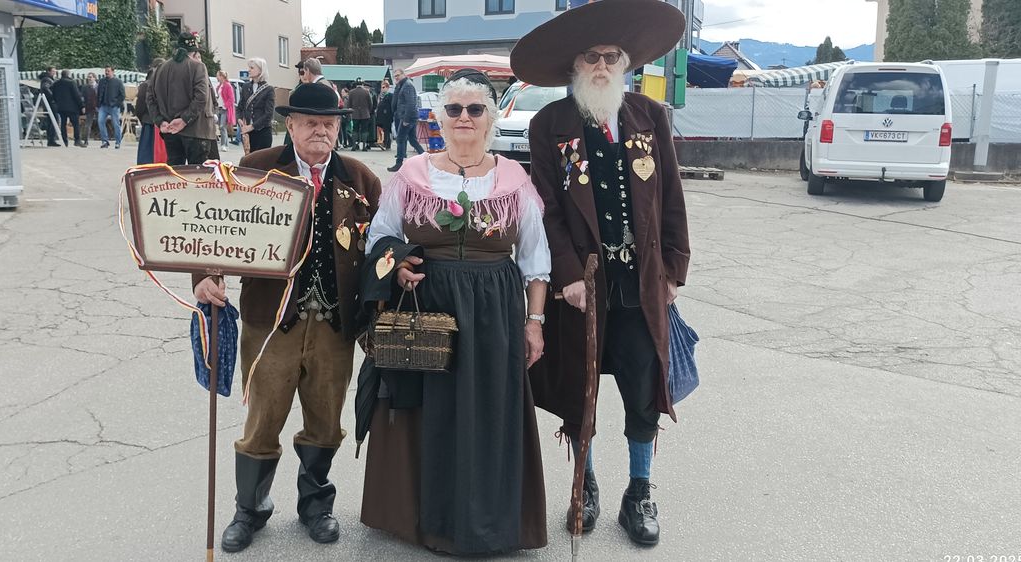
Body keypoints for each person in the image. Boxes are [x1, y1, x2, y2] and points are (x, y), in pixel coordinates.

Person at [511, 0, 691, 547]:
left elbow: (673, 198)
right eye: (591, 57)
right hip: (582, 288)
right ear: (575, 66)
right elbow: (547, 208)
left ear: (625, 63)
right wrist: (564, 274)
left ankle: (638, 492)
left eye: (612, 57)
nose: (602, 67)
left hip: (641, 285)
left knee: (642, 390)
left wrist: (674, 270)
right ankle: (584, 482)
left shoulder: (649, 117)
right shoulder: (550, 125)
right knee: (580, 391)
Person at [358, 73, 550, 556]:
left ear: (490, 119)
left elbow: (535, 259)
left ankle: (485, 521)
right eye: (455, 109)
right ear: (439, 119)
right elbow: (377, 237)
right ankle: (429, 520)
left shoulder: (513, 179)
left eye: (475, 109)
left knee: (487, 411)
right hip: (430, 307)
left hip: (494, 315)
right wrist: (397, 263)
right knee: (431, 411)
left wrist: (535, 322)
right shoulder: (412, 175)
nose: (464, 118)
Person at [192, 82, 381, 553]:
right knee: (263, 418)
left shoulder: (361, 179)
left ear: (340, 127)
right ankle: (250, 508)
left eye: (330, 123)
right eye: (311, 122)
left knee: (325, 421)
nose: (321, 130)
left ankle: (316, 504)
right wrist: (204, 275)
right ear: (290, 125)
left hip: (335, 324)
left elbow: (382, 247)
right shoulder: (256, 170)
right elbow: (212, 227)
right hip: (271, 320)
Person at [149, 33, 218, 165]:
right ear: (194, 52)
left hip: (170, 130)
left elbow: (150, 98)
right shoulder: (198, 66)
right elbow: (201, 98)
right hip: (196, 131)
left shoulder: (160, 68)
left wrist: (160, 121)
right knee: (197, 178)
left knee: (175, 176)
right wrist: (184, 119)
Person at [388, 68, 424, 172]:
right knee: (412, 140)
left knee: (400, 139)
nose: (396, 78)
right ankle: (425, 158)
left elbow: (411, 103)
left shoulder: (407, 85)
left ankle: (399, 163)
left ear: (404, 74)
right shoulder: (401, 85)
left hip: (407, 117)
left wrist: (406, 119)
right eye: (395, 76)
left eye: (398, 75)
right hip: (404, 116)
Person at [239, 57, 276, 153]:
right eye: (249, 67)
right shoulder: (245, 87)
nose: (249, 70)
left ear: (260, 70)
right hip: (248, 133)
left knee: (260, 163)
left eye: (252, 68)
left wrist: (252, 126)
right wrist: (239, 119)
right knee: (249, 162)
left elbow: (268, 114)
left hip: (263, 132)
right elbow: (240, 107)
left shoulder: (269, 89)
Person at [134, 58, 163, 164]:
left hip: (154, 123)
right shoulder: (147, 85)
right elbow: (140, 106)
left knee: (147, 154)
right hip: (153, 122)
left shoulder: (146, 84)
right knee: (150, 154)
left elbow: (139, 107)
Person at [51, 70, 83, 147]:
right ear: (68, 75)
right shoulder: (71, 82)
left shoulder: (56, 83)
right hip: (72, 107)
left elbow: (53, 95)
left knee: (63, 124)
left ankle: (65, 141)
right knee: (75, 124)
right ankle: (77, 140)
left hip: (61, 107)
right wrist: (81, 105)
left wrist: (58, 103)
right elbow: (77, 95)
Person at [97, 66, 126, 148]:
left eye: (108, 71)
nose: (106, 72)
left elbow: (122, 95)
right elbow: (99, 92)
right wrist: (98, 104)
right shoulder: (102, 81)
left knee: (116, 124)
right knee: (100, 121)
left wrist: (117, 103)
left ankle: (118, 142)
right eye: (105, 71)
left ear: (113, 72)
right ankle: (105, 141)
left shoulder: (118, 82)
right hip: (103, 106)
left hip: (114, 106)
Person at [36, 66, 61, 146]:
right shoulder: (47, 79)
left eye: (55, 71)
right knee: (54, 119)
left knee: (51, 121)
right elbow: (45, 88)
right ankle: (51, 139)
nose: (55, 73)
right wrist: (53, 96)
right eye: (53, 71)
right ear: (49, 71)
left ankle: (51, 139)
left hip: (47, 102)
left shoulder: (46, 79)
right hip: (50, 103)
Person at [347, 80, 373, 151]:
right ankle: (364, 146)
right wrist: (368, 111)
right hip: (365, 114)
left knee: (355, 130)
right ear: (362, 84)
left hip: (355, 114)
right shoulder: (366, 92)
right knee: (364, 130)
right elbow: (370, 104)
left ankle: (354, 146)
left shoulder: (351, 92)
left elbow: (349, 104)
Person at [216, 70, 236, 150]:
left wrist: (225, 105)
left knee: (222, 126)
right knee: (220, 126)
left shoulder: (228, 85)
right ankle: (225, 144)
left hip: (225, 109)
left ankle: (224, 145)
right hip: (219, 108)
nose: (217, 77)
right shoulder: (219, 86)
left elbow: (232, 98)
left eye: (218, 75)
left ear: (222, 76)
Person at [375, 79, 394, 150]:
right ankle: (384, 142)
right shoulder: (381, 96)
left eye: (383, 87)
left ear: (387, 87)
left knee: (387, 130)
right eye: (381, 87)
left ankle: (386, 144)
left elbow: (391, 106)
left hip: (387, 116)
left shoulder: (390, 95)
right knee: (383, 129)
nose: (382, 89)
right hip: (381, 116)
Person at [82, 73, 99, 147]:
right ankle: (86, 140)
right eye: (88, 77)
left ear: (94, 78)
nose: (89, 79)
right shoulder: (85, 87)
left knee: (101, 123)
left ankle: (104, 140)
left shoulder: (99, 87)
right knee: (87, 125)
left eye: (91, 77)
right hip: (89, 107)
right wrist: (83, 106)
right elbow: (82, 97)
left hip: (98, 107)